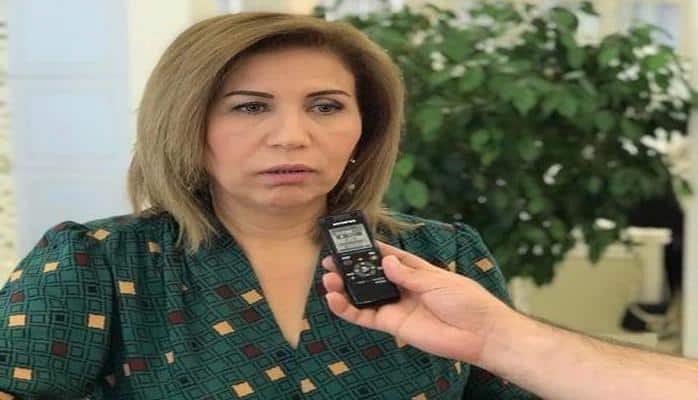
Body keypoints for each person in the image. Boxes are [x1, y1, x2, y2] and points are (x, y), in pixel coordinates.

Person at [0, 11, 693, 400]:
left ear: (366, 127)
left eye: (326, 106)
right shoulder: (94, 263)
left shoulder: (440, 255)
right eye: (250, 107)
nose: (292, 136)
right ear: (184, 124)